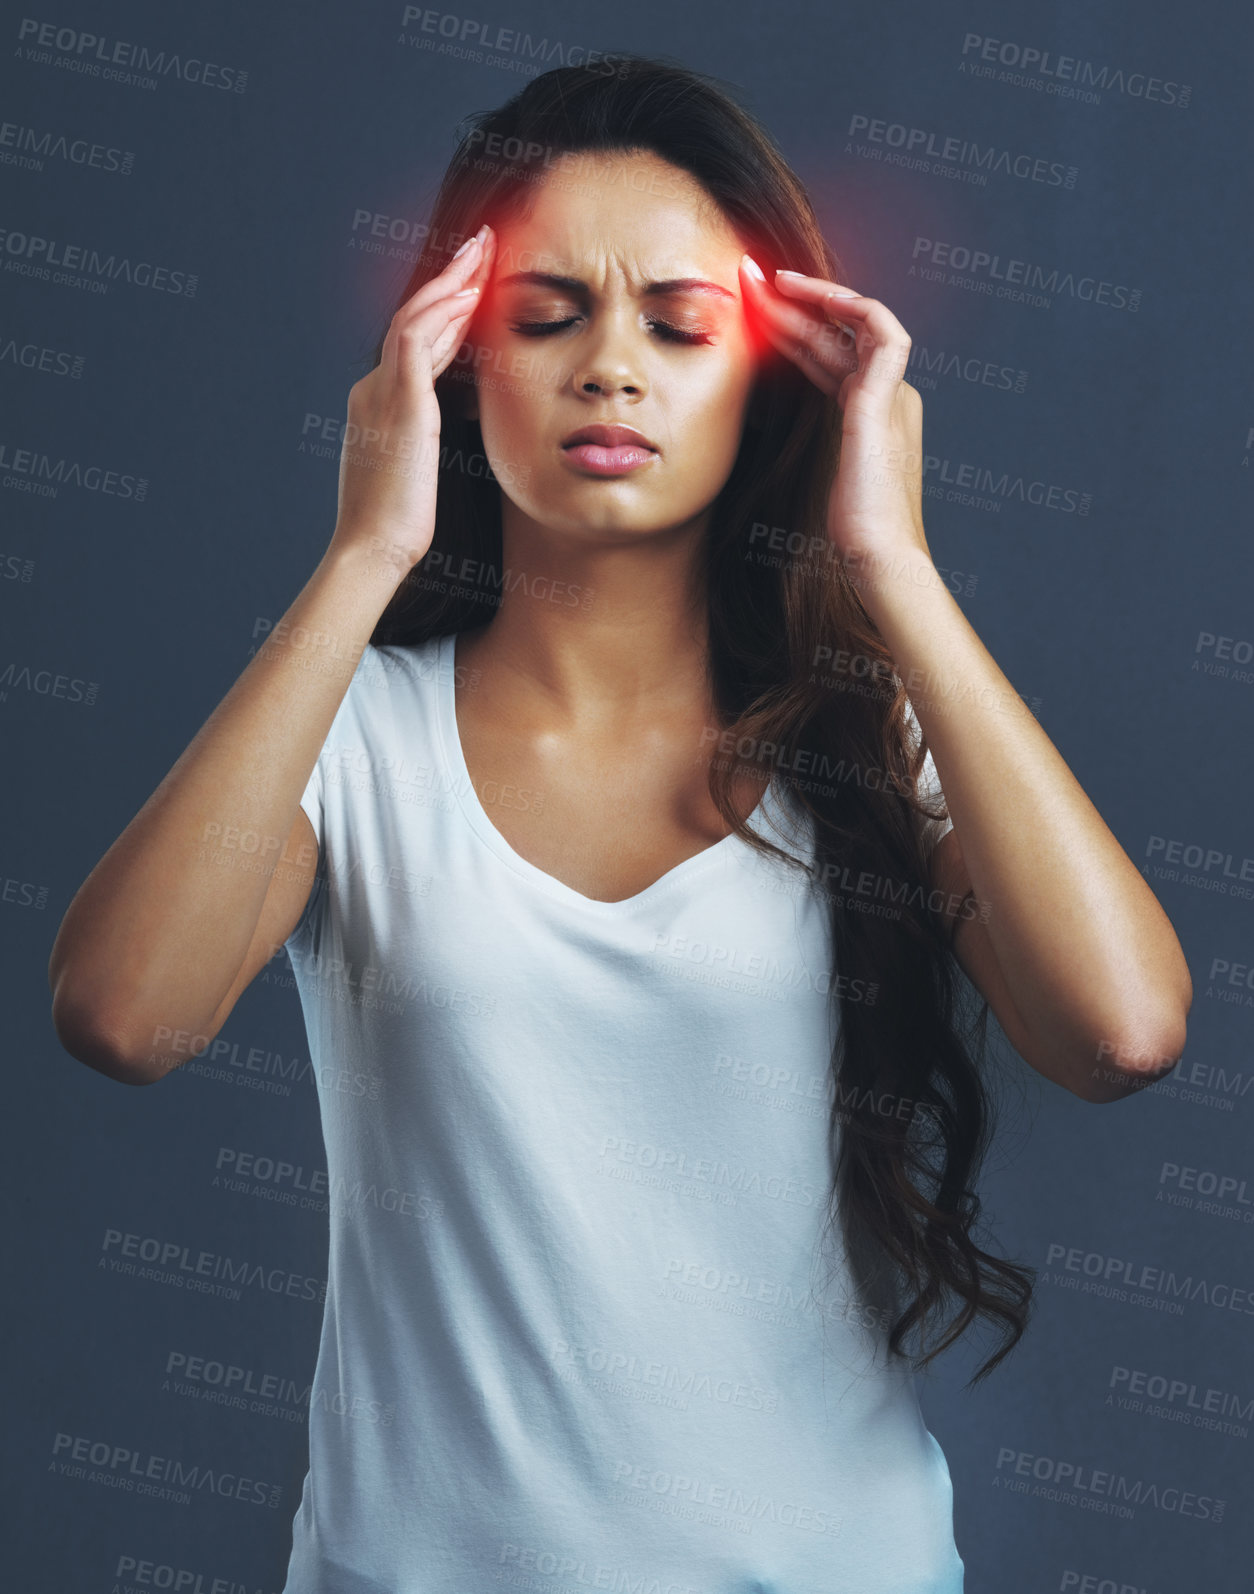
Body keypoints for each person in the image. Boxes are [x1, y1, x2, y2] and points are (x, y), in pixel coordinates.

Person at [48, 55, 1192, 1594]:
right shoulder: (354, 736)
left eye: (676, 320)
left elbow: (1121, 1030)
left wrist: (893, 565)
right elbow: (121, 1015)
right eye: (545, 316)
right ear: (455, 362)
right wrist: (363, 550)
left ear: (768, 373)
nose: (610, 366)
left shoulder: (862, 732)